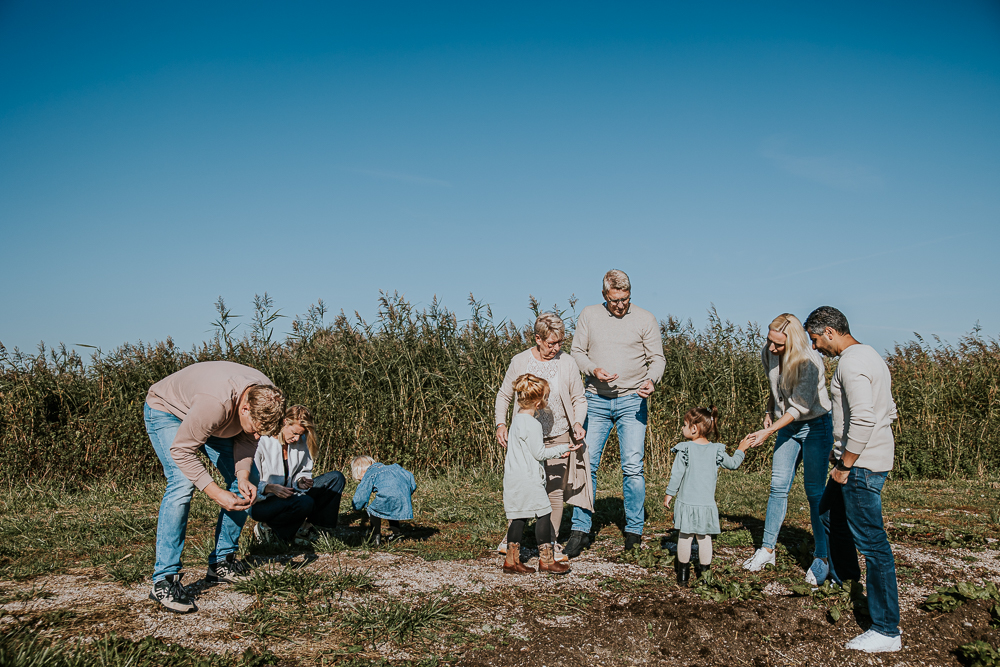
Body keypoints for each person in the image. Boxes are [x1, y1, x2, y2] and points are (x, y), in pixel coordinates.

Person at [144, 361, 285, 613]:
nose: (257, 437)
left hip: (217, 419)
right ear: (244, 408)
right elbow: (181, 450)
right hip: (169, 410)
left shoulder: (266, 396)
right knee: (182, 483)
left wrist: (242, 476)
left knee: (250, 477)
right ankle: (164, 580)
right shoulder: (215, 403)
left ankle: (222, 562)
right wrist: (217, 493)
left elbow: (247, 438)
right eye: (257, 430)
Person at [804, 306, 901, 653]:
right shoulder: (871, 355)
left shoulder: (851, 363)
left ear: (829, 331)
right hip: (865, 457)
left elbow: (862, 418)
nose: (815, 347)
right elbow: (888, 410)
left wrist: (845, 463)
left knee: (873, 543)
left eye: (815, 340)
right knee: (828, 509)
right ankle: (845, 579)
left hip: (860, 465)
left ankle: (886, 629)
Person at [567, 269, 666, 555]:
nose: (620, 305)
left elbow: (657, 358)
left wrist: (651, 380)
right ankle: (580, 529)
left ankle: (634, 530)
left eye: (625, 299)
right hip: (595, 400)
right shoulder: (589, 315)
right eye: (614, 300)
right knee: (587, 464)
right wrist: (592, 369)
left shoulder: (645, 319)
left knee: (633, 467)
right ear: (604, 296)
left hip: (632, 400)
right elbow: (577, 352)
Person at [741, 314, 834, 585]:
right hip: (788, 426)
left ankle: (822, 557)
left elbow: (799, 407)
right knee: (778, 485)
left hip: (815, 425)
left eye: (778, 345)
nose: (771, 348)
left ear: (792, 342)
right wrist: (770, 410)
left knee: (815, 492)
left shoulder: (810, 362)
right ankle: (767, 549)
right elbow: (776, 386)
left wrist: (768, 431)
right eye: (769, 341)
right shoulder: (769, 353)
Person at [495, 312, 590, 562]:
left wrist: (577, 422)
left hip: (558, 433)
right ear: (538, 338)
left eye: (560, 343)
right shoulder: (520, 361)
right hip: (526, 436)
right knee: (524, 486)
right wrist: (501, 423)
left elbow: (579, 398)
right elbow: (504, 395)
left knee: (554, 491)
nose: (556, 348)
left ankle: (550, 542)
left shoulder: (567, 362)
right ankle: (512, 539)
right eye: (551, 343)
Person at [663, 407, 753, 586]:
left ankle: (683, 577)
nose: (682, 428)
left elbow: (677, 474)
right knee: (705, 539)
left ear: (694, 428)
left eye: (684, 425)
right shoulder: (716, 450)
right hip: (706, 504)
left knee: (685, 537)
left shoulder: (684, 449)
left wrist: (669, 494)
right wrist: (741, 449)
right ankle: (705, 577)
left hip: (686, 502)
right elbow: (733, 464)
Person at [502, 374, 582, 575]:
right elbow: (538, 453)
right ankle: (546, 561)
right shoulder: (533, 424)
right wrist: (562, 448)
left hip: (513, 477)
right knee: (544, 513)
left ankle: (511, 561)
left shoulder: (516, 421)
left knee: (518, 517)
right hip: (529, 478)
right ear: (538, 402)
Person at [250, 405, 346, 545]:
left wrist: (301, 481)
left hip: (291, 495)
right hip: (263, 502)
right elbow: (250, 483)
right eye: (294, 433)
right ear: (284, 422)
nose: (297, 438)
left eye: (301, 434)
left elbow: (303, 471)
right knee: (305, 502)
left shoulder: (300, 442)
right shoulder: (262, 442)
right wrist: (269, 488)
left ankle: (306, 528)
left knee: (336, 478)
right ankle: (268, 529)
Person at [351, 455, 417, 546]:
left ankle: (375, 538)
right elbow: (410, 477)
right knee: (390, 511)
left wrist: (356, 507)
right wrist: (408, 492)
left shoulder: (370, 473)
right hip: (403, 494)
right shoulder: (395, 467)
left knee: (374, 511)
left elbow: (362, 494)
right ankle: (397, 535)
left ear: (360, 471)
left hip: (389, 494)